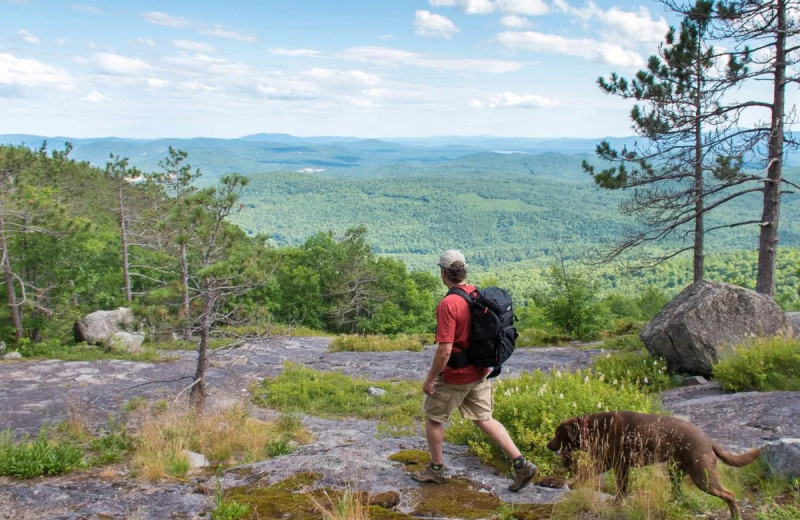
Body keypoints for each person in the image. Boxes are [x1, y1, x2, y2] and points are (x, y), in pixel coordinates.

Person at [411, 249, 539, 491]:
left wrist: (430, 379)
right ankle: (521, 464)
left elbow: (445, 350)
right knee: (484, 418)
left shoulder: (449, 303)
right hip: (480, 371)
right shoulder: (475, 294)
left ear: (443, 273)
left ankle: (436, 471)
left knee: (434, 419)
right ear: (464, 270)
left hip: (456, 376)